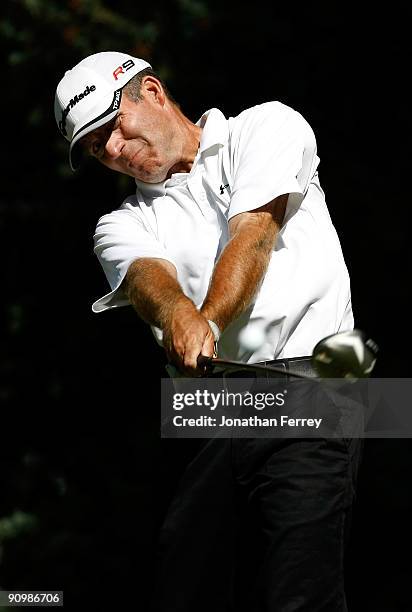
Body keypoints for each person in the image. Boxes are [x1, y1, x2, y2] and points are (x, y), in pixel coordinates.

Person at [55, 51, 363, 611]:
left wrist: (209, 319)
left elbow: (255, 231)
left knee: (297, 595)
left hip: (315, 388)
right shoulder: (121, 222)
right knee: (185, 594)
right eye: (98, 149)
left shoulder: (265, 125)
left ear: (151, 92)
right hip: (207, 409)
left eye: (111, 128)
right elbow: (149, 277)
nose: (115, 151)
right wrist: (177, 314)